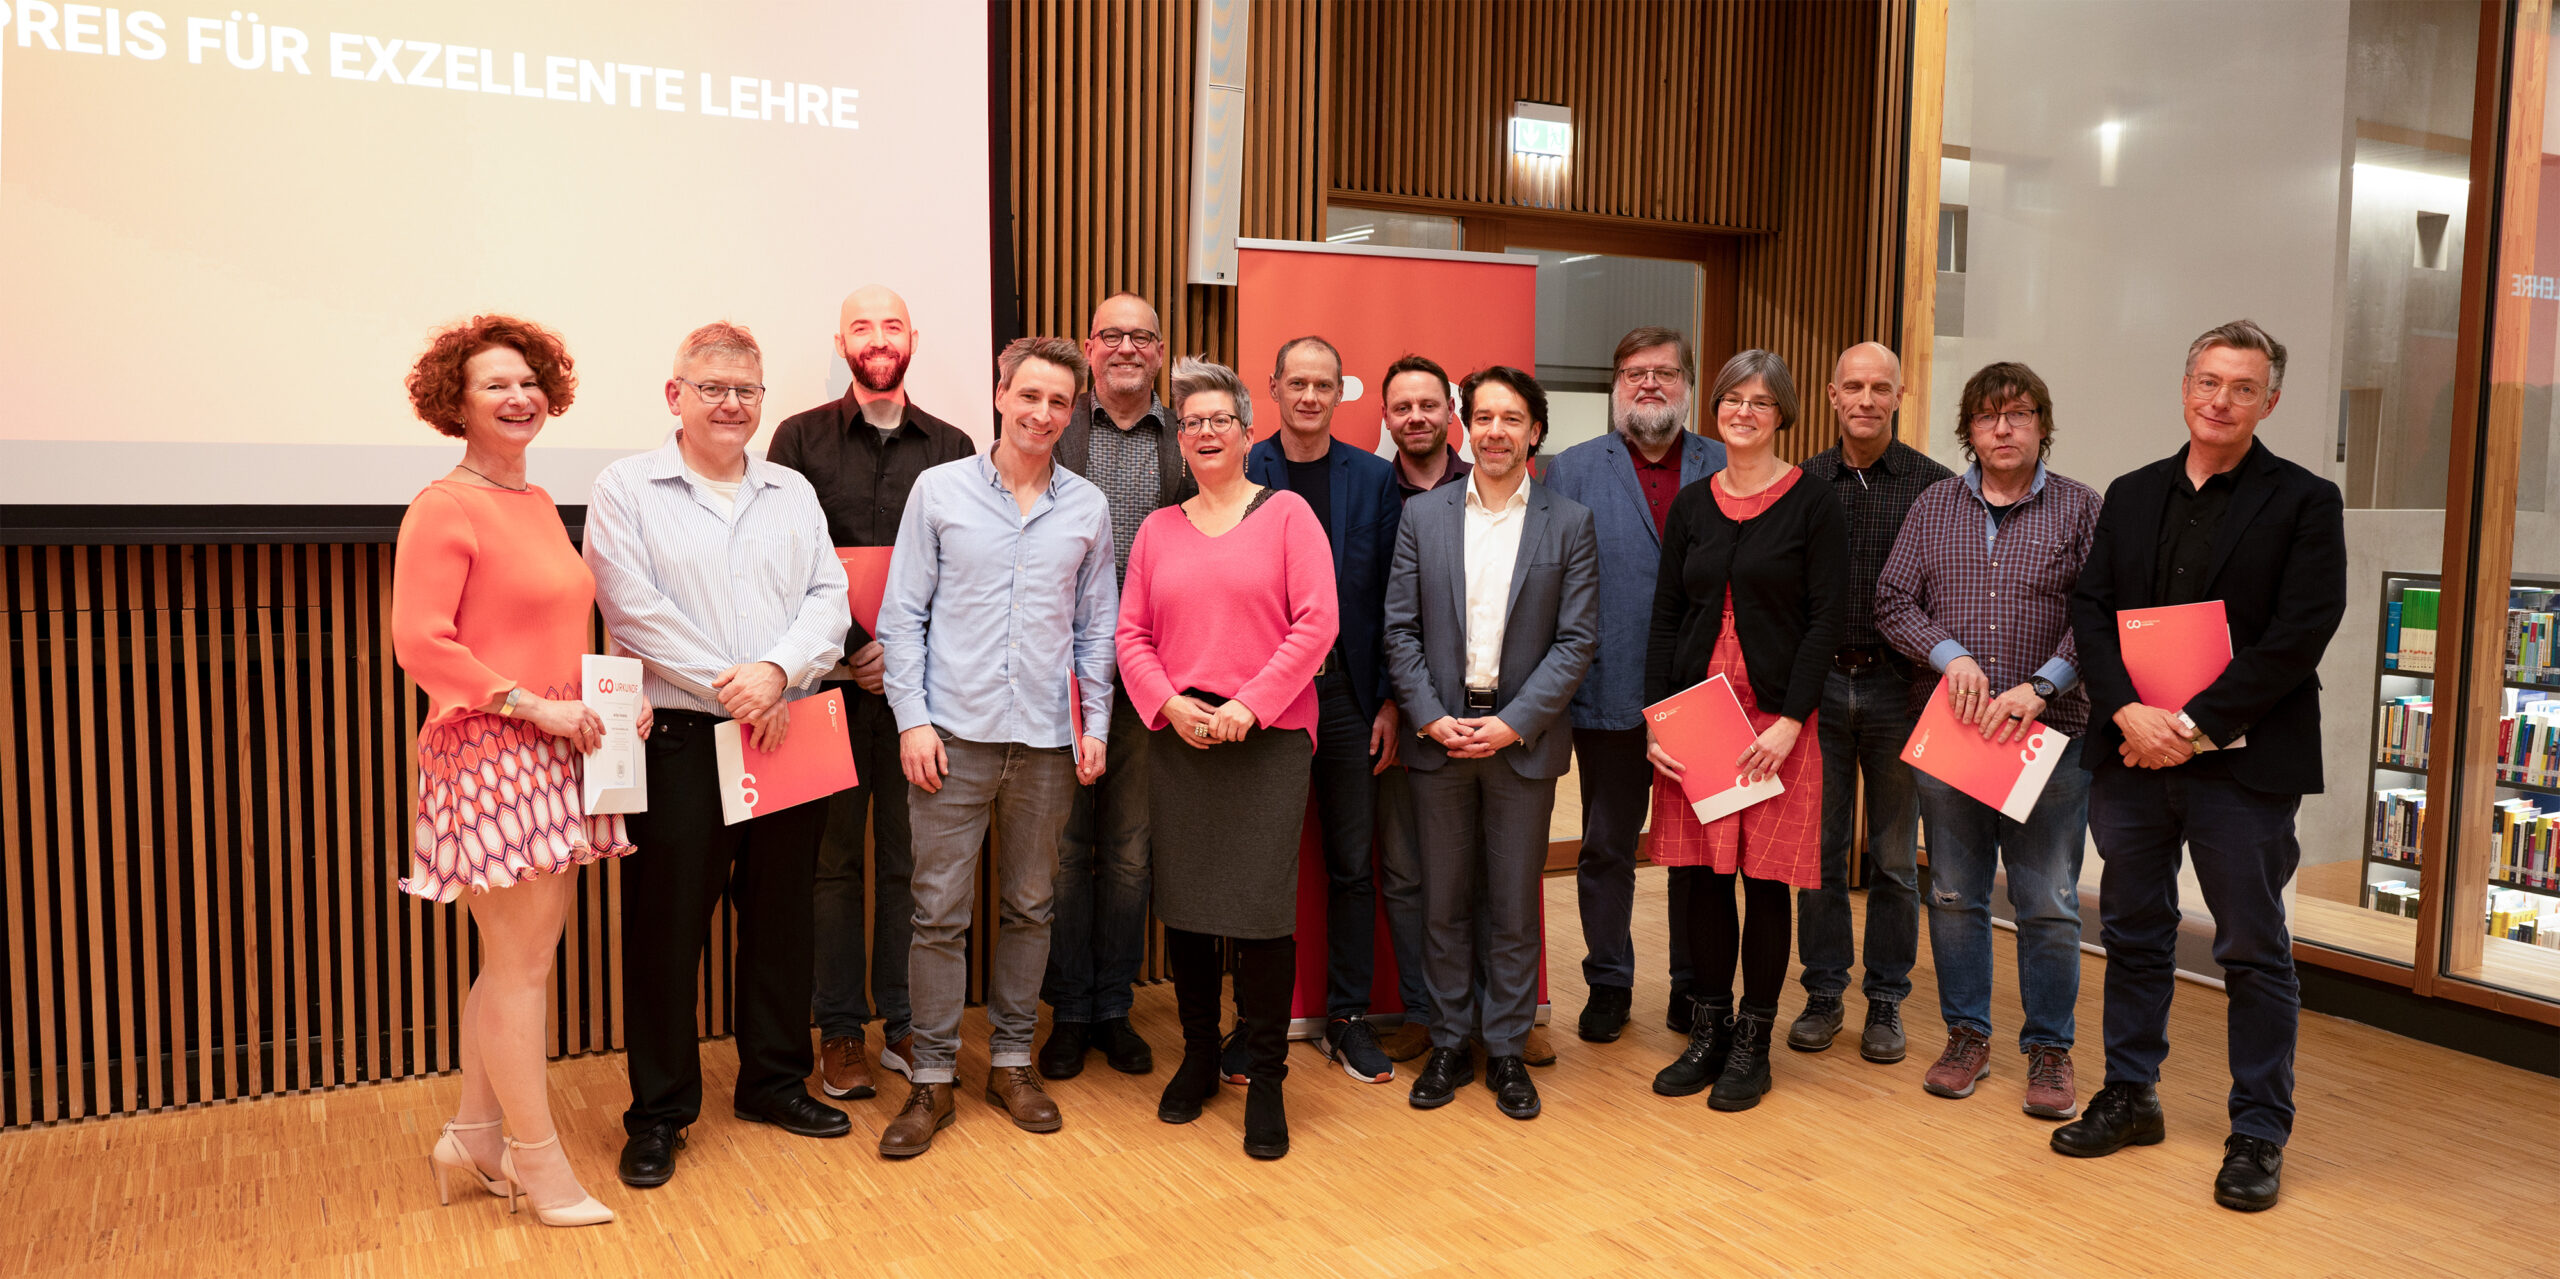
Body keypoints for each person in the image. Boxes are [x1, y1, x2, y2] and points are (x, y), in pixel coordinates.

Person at [2056, 320, 2346, 1213]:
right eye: (2208, 382)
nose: (2220, 400)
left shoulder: (2304, 500)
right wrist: (2128, 713)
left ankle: (2259, 1129)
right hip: (2132, 756)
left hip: (2242, 765)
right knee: (2135, 933)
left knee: (2253, 951)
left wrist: (2193, 723)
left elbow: (2301, 632)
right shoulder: (2133, 492)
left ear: (2271, 401)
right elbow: (2092, 608)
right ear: (2185, 387)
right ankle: (2131, 1093)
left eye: (2242, 387)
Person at [584, 323, 852, 1189]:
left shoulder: (793, 491)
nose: (731, 404)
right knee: (666, 932)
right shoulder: (625, 487)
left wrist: (777, 672)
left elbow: (828, 597)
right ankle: (659, 1112)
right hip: (678, 739)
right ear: (676, 396)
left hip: (787, 728)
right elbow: (632, 610)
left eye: (747, 390)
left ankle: (773, 1083)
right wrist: (732, 683)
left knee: (781, 922)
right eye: (713, 389)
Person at [393, 314, 627, 1229]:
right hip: (493, 752)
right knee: (524, 966)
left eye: (528, 380)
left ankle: (475, 1134)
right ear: (456, 400)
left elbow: (550, 627)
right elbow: (420, 642)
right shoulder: (443, 505)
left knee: (515, 962)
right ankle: (540, 1169)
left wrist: (608, 702)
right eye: (494, 383)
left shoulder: (532, 502)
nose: (517, 395)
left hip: (561, 747)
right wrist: (535, 708)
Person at [874, 337, 1116, 1159]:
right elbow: (902, 615)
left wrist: (1098, 728)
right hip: (952, 737)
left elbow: (1097, 630)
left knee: (1031, 907)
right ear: (1000, 394)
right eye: (1030, 397)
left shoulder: (1086, 507)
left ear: (1072, 409)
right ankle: (932, 1076)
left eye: (1059, 402)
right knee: (937, 913)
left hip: (1049, 743)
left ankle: (1012, 1059)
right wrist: (911, 718)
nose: (1043, 414)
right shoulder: (937, 490)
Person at [1118, 357, 1340, 1158]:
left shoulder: (1287, 517)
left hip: (1267, 739)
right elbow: (1130, 635)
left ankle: (1269, 1077)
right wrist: (1170, 704)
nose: (1205, 432)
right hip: (1180, 739)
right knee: (1188, 907)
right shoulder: (1156, 529)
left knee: (1259, 915)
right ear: (1179, 440)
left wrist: (1250, 704)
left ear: (1249, 433)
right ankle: (1201, 1055)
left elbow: (1317, 624)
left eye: (1220, 420)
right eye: (1191, 422)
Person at [1873, 361, 2101, 1121]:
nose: (2003, 429)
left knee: (2048, 902)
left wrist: (2044, 685)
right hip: (1957, 737)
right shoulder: (1935, 506)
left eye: (2019, 414)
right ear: (1968, 429)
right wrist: (1952, 656)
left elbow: (2100, 615)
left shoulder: (2081, 510)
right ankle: (1966, 1035)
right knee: (1954, 895)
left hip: (2049, 741)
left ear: (2043, 424)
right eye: (1987, 416)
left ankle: (2049, 1050)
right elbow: (1893, 600)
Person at [766, 284, 977, 1102]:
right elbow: (782, 556)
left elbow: (968, 566)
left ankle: (906, 1023)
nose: (879, 337)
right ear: (842, 340)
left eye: (892, 325)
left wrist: (901, 658)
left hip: (918, 695)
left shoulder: (956, 444)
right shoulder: (798, 439)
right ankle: (841, 1034)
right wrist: (856, 650)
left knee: (912, 859)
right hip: (822, 683)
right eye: (864, 325)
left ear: (912, 338)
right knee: (831, 864)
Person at [1385, 365, 1599, 1122]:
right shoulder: (1425, 518)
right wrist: (1429, 715)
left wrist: (1513, 721)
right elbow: (1399, 630)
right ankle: (1449, 1039)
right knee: (1442, 902)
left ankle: (1506, 1047)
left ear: (1535, 430)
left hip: (1521, 741)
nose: (1496, 431)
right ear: (1462, 426)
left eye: (1512, 418)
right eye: (1483, 417)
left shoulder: (1568, 522)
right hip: (1438, 736)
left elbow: (1576, 642)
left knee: (1511, 906)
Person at [1643, 349, 1847, 1113]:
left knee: (1763, 881)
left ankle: (1754, 1041)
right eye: (1734, 399)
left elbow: (1826, 618)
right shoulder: (1693, 504)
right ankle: (1708, 1029)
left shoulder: (1813, 501)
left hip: (1774, 718)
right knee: (1699, 878)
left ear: (1784, 414)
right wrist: (1652, 719)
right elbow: (1666, 614)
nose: (1745, 412)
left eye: (1762, 402)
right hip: (1696, 712)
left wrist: (1794, 721)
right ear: (1716, 408)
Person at [1543, 326, 1726, 1042]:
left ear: (1687, 383)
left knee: (1690, 851)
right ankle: (1609, 982)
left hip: (1702, 694)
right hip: (1607, 686)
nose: (1649, 384)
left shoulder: (1723, 463)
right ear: (1615, 386)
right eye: (1633, 373)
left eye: (1664, 372)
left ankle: (1689, 985)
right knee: (1606, 845)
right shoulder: (1573, 470)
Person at [1243, 335, 1404, 1085]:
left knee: (1351, 867)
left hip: (1346, 695)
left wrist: (1390, 702)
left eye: (1324, 385)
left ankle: (1347, 1019)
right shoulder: (1241, 471)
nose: (1310, 396)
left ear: (1343, 393)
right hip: (1264, 698)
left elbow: (1392, 601)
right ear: (1272, 387)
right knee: (1259, 867)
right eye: (1297, 382)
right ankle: (1254, 1027)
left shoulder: (1375, 480)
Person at [1042, 292, 1193, 1080]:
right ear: (1087, 347)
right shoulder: (1057, 428)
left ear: (1161, 353)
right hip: (1061, 670)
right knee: (1067, 852)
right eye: (1113, 335)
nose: (1128, 347)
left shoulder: (1186, 436)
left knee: (1131, 854)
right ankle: (1068, 1012)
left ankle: (1112, 1006)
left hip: (1153, 675)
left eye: (1144, 335)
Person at [1790, 342, 1952, 1064]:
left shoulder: (1934, 486)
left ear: (1898, 395)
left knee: (1891, 856)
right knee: (1818, 851)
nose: (1864, 398)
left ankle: (1885, 999)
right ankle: (1824, 992)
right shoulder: (1799, 484)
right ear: (1831, 395)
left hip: (1901, 688)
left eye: (1878, 387)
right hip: (1818, 686)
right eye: (1852, 386)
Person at [1372, 354, 1469, 1063]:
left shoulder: (1495, 484)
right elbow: (1367, 605)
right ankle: (1426, 1011)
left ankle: (1501, 1015)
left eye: (1427, 405)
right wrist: (1391, 700)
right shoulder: (1375, 491)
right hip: (1401, 712)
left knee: (1486, 875)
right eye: (1402, 406)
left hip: (1483, 718)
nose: (1415, 417)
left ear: (1450, 412)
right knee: (1404, 872)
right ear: (1385, 417)